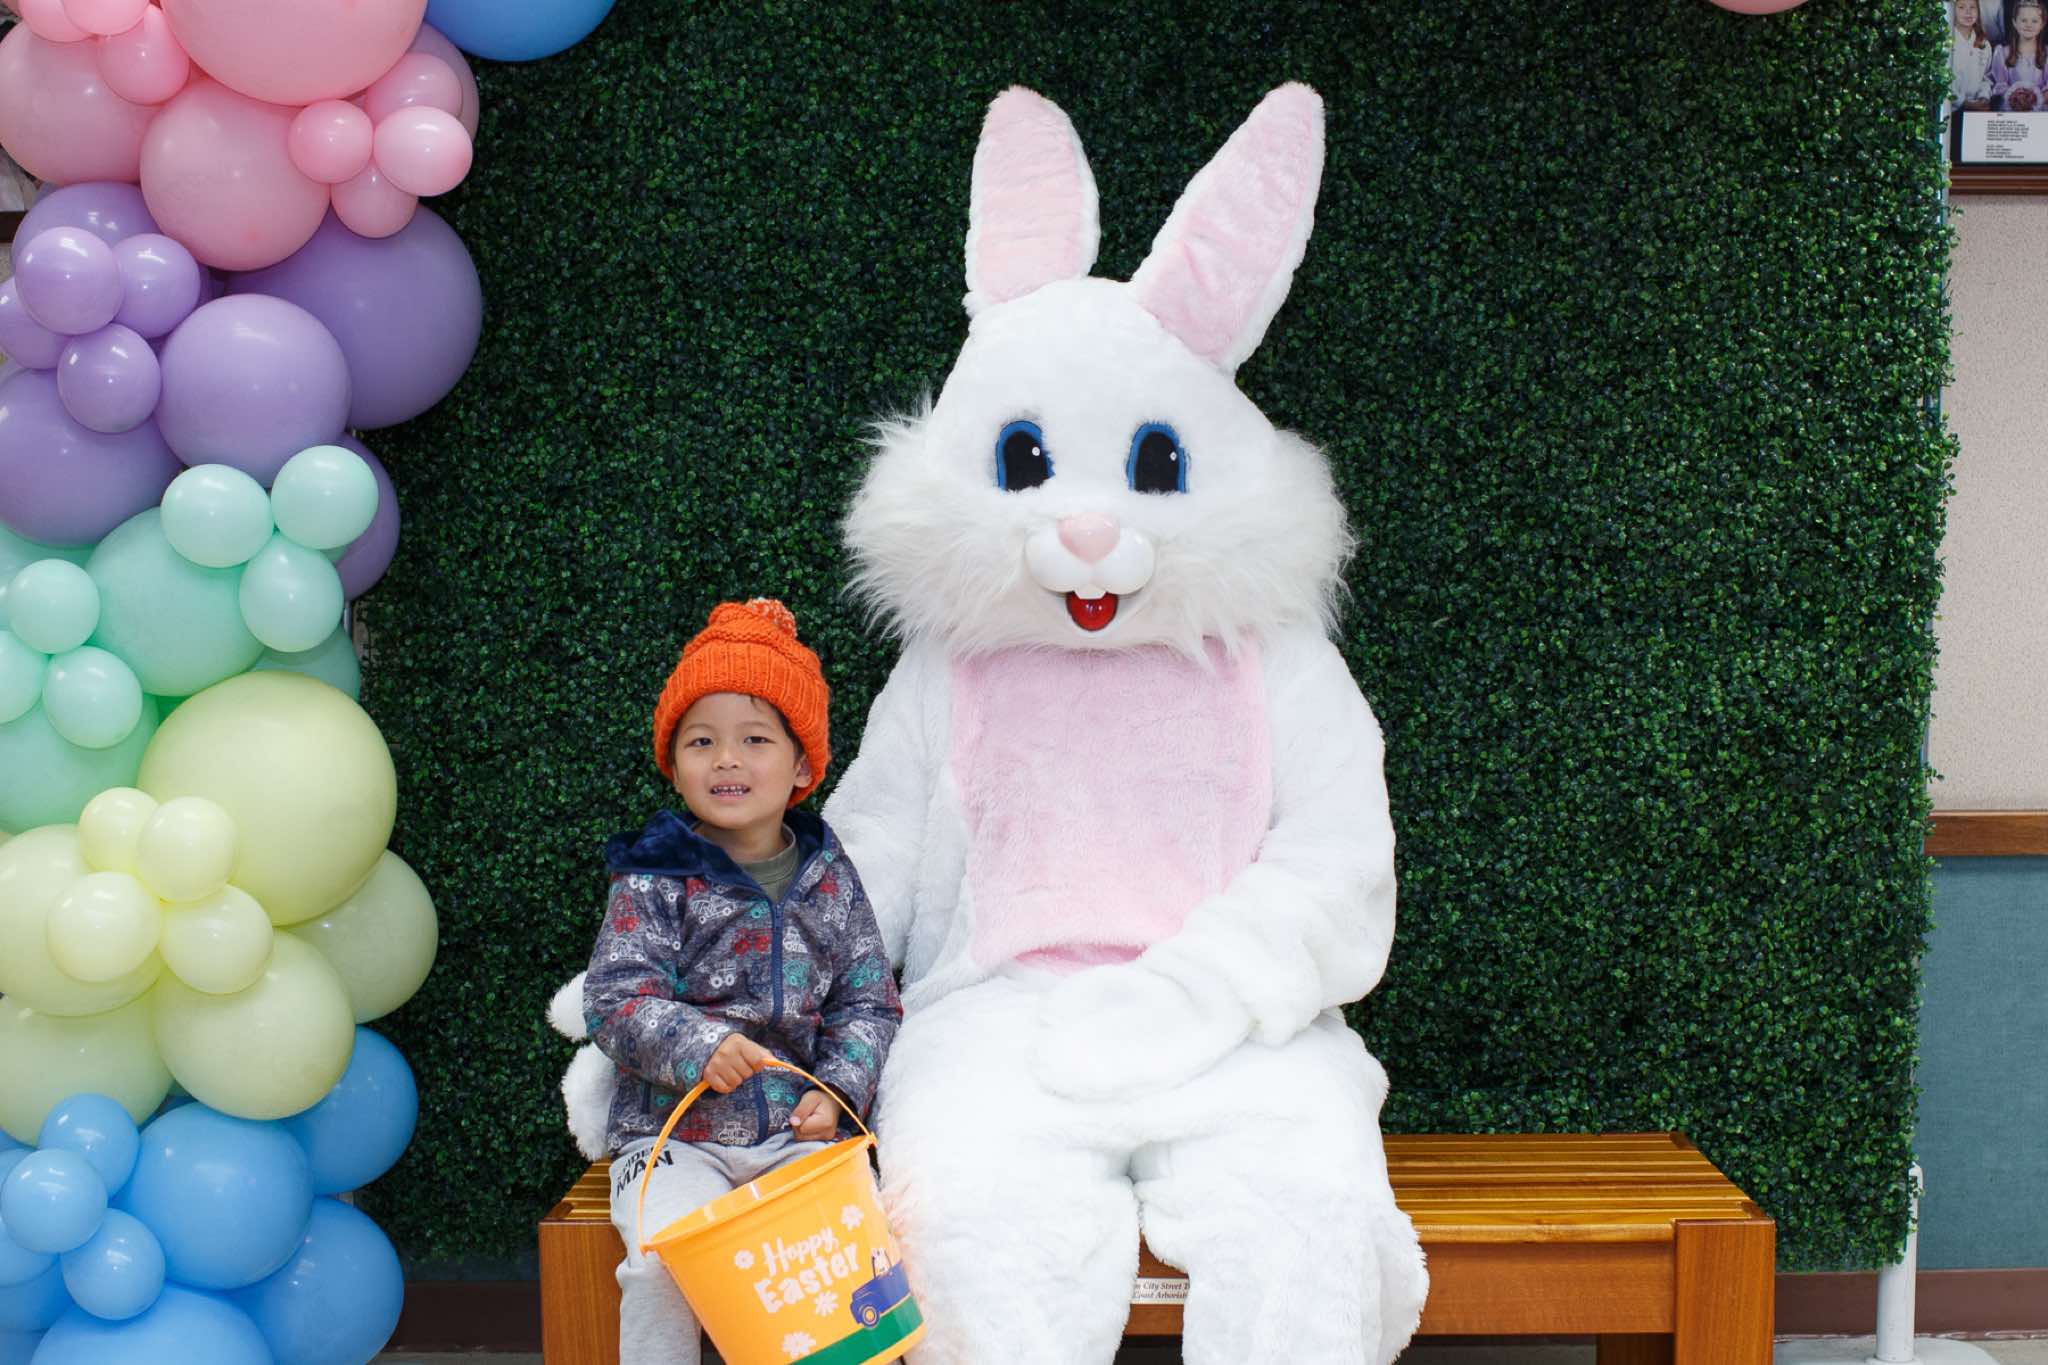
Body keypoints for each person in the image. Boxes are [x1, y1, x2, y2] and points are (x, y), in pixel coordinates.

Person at [583, 597, 902, 1365]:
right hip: (672, 1139)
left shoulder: (830, 877)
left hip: (796, 1134)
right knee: (664, 1258)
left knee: (847, 1256)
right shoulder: (656, 875)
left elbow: (867, 1000)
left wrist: (839, 1089)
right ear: (674, 764)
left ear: (802, 766)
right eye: (702, 741)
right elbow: (616, 998)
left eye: (754, 739)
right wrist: (699, 1044)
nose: (726, 758)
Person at [1993, 0, 2048, 111]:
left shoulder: (2046, 54)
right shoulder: (2002, 53)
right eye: (2023, 20)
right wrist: (2016, 98)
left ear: (2042, 24)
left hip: (2040, 111)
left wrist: (2034, 100)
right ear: (2014, 22)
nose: (2029, 25)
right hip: (2011, 109)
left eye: (2034, 21)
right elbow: (2000, 85)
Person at [1955, 0, 1996, 109]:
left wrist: (1984, 98)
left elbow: (1986, 77)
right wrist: (1964, 103)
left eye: (1972, 7)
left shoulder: (1984, 44)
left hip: (1977, 107)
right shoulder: (1947, 42)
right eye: (1962, 7)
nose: (1968, 12)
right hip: (1952, 109)